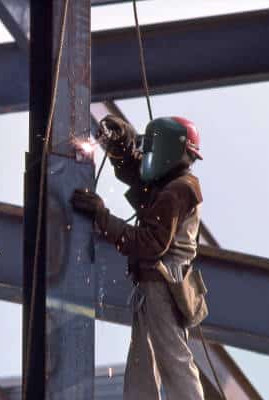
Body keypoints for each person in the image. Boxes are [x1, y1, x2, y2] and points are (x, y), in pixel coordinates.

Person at [71, 115, 205, 400]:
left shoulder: (178, 190)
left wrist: (102, 218)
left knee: (174, 361)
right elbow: (139, 178)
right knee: (141, 367)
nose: (148, 154)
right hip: (152, 286)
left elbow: (150, 244)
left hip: (163, 287)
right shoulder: (169, 183)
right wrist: (122, 149)